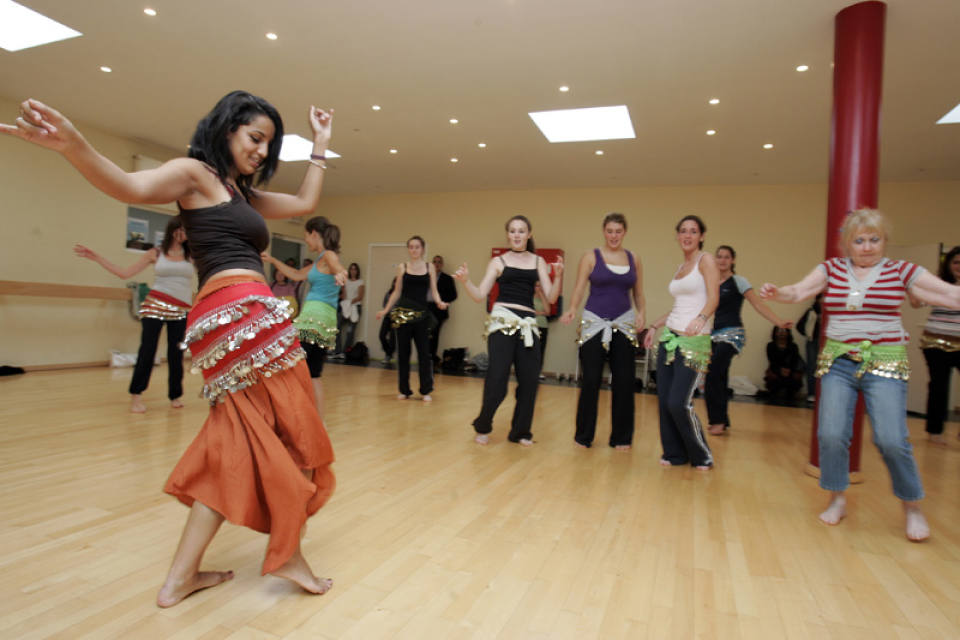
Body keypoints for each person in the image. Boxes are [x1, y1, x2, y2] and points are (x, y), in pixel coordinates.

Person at [2, 91, 338, 604]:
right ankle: (287, 553)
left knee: (238, 444)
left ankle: (181, 577)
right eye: (254, 137)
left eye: (268, 145)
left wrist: (319, 145)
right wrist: (74, 146)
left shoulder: (241, 194)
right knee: (298, 429)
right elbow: (128, 185)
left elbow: (306, 204)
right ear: (226, 128)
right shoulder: (195, 174)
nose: (260, 151)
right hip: (242, 311)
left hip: (232, 315)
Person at [760, 209, 960, 541]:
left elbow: (949, 294)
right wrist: (777, 292)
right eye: (859, 241)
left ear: (884, 241)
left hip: (885, 361)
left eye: (874, 239)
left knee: (891, 439)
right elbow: (797, 292)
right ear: (847, 244)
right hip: (839, 361)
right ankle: (837, 498)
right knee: (830, 434)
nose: (867, 247)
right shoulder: (831, 269)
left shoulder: (902, 270)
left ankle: (912, 506)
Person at [454, 215, 563, 445]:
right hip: (503, 322)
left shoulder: (538, 261)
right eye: (512, 231)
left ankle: (520, 432)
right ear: (508, 235)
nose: (516, 235)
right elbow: (479, 295)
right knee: (497, 378)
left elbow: (552, 297)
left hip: (528, 325)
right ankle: (483, 425)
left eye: (521, 231)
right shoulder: (498, 262)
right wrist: (465, 281)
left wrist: (559, 276)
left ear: (529, 234)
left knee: (529, 381)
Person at [73, 216, 193, 413]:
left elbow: (215, 266)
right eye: (181, 229)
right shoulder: (156, 253)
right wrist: (97, 258)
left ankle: (175, 395)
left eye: (188, 230)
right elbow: (124, 273)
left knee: (176, 353)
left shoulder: (192, 254)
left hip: (180, 309)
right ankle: (136, 396)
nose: (184, 234)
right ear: (173, 230)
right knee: (147, 351)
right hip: (155, 306)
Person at [560, 212, 645, 449]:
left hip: (624, 323)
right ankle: (583, 436)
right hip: (594, 322)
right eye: (609, 231)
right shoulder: (590, 256)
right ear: (604, 232)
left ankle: (622, 437)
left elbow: (638, 292)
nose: (614, 236)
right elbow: (579, 288)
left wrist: (641, 313)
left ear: (624, 232)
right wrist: (572, 309)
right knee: (590, 379)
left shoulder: (634, 258)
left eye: (618, 231)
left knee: (624, 380)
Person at [643, 215, 718, 469]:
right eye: (683, 231)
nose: (687, 235)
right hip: (670, 339)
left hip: (694, 342)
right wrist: (655, 326)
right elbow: (679, 306)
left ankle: (702, 455)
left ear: (701, 236)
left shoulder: (705, 260)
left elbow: (714, 298)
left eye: (693, 231)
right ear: (677, 236)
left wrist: (701, 318)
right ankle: (674, 453)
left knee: (679, 402)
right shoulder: (680, 267)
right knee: (665, 401)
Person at [262, 217, 347, 418]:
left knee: (293, 365)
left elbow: (338, 267)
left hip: (315, 319)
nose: (306, 241)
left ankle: (295, 415)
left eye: (306, 236)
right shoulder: (319, 261)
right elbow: (296, 274)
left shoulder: (328, 255)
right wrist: (272, 260)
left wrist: (341, 273)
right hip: (320, 319)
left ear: (314, 234)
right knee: (312, 373)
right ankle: (317, 421)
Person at [704, 245, 792, 435]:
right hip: (713, 334)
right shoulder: (711, 282)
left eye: (726, 257)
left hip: (732, 334)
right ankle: (721, 420)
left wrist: (778, 322)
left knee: (714, 372)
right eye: (719, 256)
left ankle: (717, 420)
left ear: (733, 260)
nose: (722, 260)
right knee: (717, 374)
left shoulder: (738, 281)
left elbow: (757, 304)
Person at [376, 236, 447, 401]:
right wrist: (385, 310)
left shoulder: (429, 267)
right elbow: (396, 292)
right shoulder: (402, 267)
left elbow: (434, 290)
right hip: (403, 315)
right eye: (411, 247)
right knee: (403, 353)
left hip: (421, 315)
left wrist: (439, 302)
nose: (414, 250)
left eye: (417, 247)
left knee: (424, 353)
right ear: (408, 249)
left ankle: (426, 390)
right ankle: (404, 390)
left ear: (422, 249)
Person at [913, 246, 960, 444]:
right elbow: (917, 303)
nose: (959, 266)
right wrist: (914, 290)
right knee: (939, 387)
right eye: (956, 262)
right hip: (935, 343)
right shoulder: (938, 284)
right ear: (948, 264)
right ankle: (935, 431)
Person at [428, 255, 458, 366]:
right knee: (424, 334)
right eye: (434, 262)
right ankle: (426, 357)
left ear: (442, 264)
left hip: (438, 310)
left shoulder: (447, 278)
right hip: (426, 308)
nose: (436, 264)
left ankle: (432, 357)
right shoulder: (426, 277)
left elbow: (453, 295)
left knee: (434, 334)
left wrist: (441, 301)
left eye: (439, 262)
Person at [763, 326, 804, 400]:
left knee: (796, 376)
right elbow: (772, 361)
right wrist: (780, 370)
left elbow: (794, 361)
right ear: (775, 333)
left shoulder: (793, 346)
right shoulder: (770, 346)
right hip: (776, 370)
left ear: (788, 333)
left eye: (784, 331)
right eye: (779, 331)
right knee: (771, 375)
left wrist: (788, 370)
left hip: (790, 371)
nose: (781, 333)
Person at [796, 293, 823, 402]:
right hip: (813, 341)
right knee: (812, 367)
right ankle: (811, 393)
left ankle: (822, 394)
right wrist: (808, 334)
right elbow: (799, 326)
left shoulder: (830, 312)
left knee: (825, 368)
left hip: (826, 344)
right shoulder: (811, 311)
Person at [336, 262, 364, 355]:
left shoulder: (360, 282)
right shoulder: (346, 281)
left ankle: (346, 352)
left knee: (350, 331)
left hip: (355, 306)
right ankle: (337, 351)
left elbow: (360, 296)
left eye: (355, 269)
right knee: (336, 326)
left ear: (357, 271)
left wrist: (349, 302)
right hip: (345, 306)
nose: (353, 271)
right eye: (351, 269)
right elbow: (343, 295)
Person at [378, 278, 397, 365]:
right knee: (382, 335)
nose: (395, 284)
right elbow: (384, 304)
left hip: (396, 318)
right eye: (394, 282)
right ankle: (388, 352)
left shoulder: (402, 294)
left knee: (393, 338)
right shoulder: (388, 293)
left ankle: (388, 356)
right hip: (387, 317)